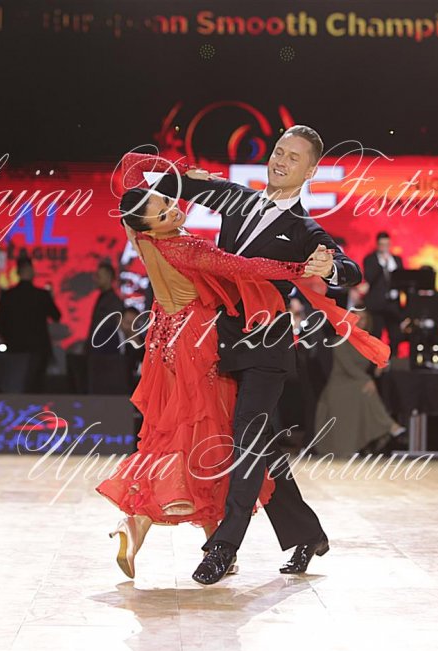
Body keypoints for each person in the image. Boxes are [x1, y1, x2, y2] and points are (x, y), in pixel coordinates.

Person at [96, 187, 387, 579]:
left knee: (226, 440)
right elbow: (244, 267)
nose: (172, 208)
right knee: (212, 440)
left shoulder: (144, 238)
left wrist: (179, 178)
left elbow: (135, 180)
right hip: (206, 347)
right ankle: (174, 531)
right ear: (147, 225)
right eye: (162, 211)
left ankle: (261, 538)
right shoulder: (187, 245)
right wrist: (299, 270)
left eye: (166, 200)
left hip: (185, 345)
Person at [139, 125, 369, 584]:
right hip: (220, 343)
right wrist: (183, 176)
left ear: (311, 171)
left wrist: (331, 267)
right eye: (279, 151)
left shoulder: (305, 229)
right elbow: (153, 188)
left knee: (246, 439)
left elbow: (349, 268)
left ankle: (224, 547)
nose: (281, 161)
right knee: (256, 445)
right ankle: (307, 534)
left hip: (267, 347)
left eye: (294, 157)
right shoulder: (236, 198)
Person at [315, 310, 405, 457]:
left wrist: (380, 365)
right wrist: (368, 380)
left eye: (363, 318)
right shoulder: (340, 341)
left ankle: (387, 427)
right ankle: (389, 425)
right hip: (340, 384)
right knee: (367, 390)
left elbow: (380, 359)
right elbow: (348, 367)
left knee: (366, 390)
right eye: (356, 317)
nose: (360, 321)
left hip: (358, 383)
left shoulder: (367, 342)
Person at [0, 257, 62, 393]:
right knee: (36, 389)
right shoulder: (41, 295)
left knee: (15, 386)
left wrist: (9, 340)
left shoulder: (8, 295)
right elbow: (56, 316)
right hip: (38, 350)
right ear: (31, 271)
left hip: (15, 349)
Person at [362, 231, 406, 354]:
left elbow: (402, 279)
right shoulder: (370, 260)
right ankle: (376, 360)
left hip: (393, 304)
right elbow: (370, 277)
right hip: (377, 305)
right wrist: (383, 264)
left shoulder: (397, 260)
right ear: (377, 245)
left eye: (387, 244)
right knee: (375, 334)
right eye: (382, 245)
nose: (384, 247)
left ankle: (392, 359)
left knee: (395, 335)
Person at [88, 263, 123, 355]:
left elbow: (110, 328)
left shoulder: (113, 301)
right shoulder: (103, 298)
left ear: (108, 277)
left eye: (99, 276)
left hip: (106, 353)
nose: (96, 279)